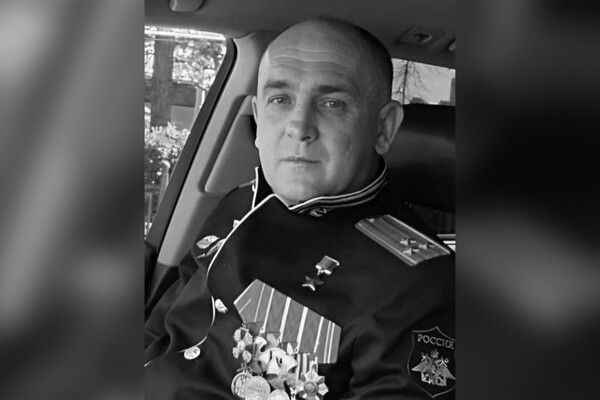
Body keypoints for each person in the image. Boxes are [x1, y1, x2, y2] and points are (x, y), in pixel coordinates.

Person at [145, 17, 454, 400]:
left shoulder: (421, 286)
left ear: (383, 128)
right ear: (258, 117)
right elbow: (158, 329)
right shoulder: (237, 202)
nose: (299, 126)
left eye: (332, 104)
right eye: (280, 99)